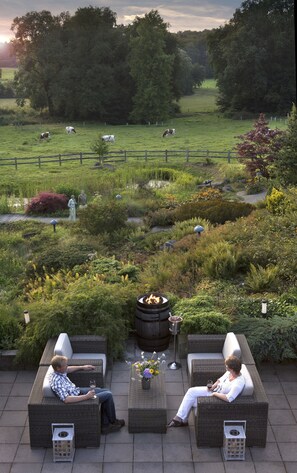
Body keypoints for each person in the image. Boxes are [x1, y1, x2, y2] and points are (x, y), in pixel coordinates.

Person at [50, 355, 125, 434]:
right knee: (108, 395)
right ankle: (111, 423)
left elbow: (68, 369)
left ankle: (106, 424)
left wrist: (82, 367)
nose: (67, 366)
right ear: (58, 368)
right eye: (65, 365)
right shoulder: (57, 382)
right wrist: (86, 397)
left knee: (106, 391)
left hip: (77, 391)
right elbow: (66, 399)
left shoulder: (59, 371)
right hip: (78, 399)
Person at [167, 355, 245, 427]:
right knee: (191, 391)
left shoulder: (238, 383)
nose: (225, 366)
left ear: (231, 368)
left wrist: (214, 394)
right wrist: (213, 387)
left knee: (191, 401)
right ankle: (182, 420)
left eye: (226, 366)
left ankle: (181, 420)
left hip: (218, 398)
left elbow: (229, 398)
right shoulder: (230, 372)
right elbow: (220, 380)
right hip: (214, 391)